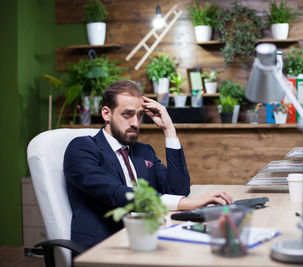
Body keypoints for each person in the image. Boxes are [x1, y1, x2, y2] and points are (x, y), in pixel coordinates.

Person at [64, 79, 232, 248]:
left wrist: (169, 130)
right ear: (107, 114)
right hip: (104, 245)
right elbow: (117, 194)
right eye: (127, 114)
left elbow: (177, 190)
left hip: (150, 235)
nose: (135, 123)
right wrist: (184, 203)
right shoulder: (82, 148)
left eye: (139, 115)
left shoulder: (144, 151)